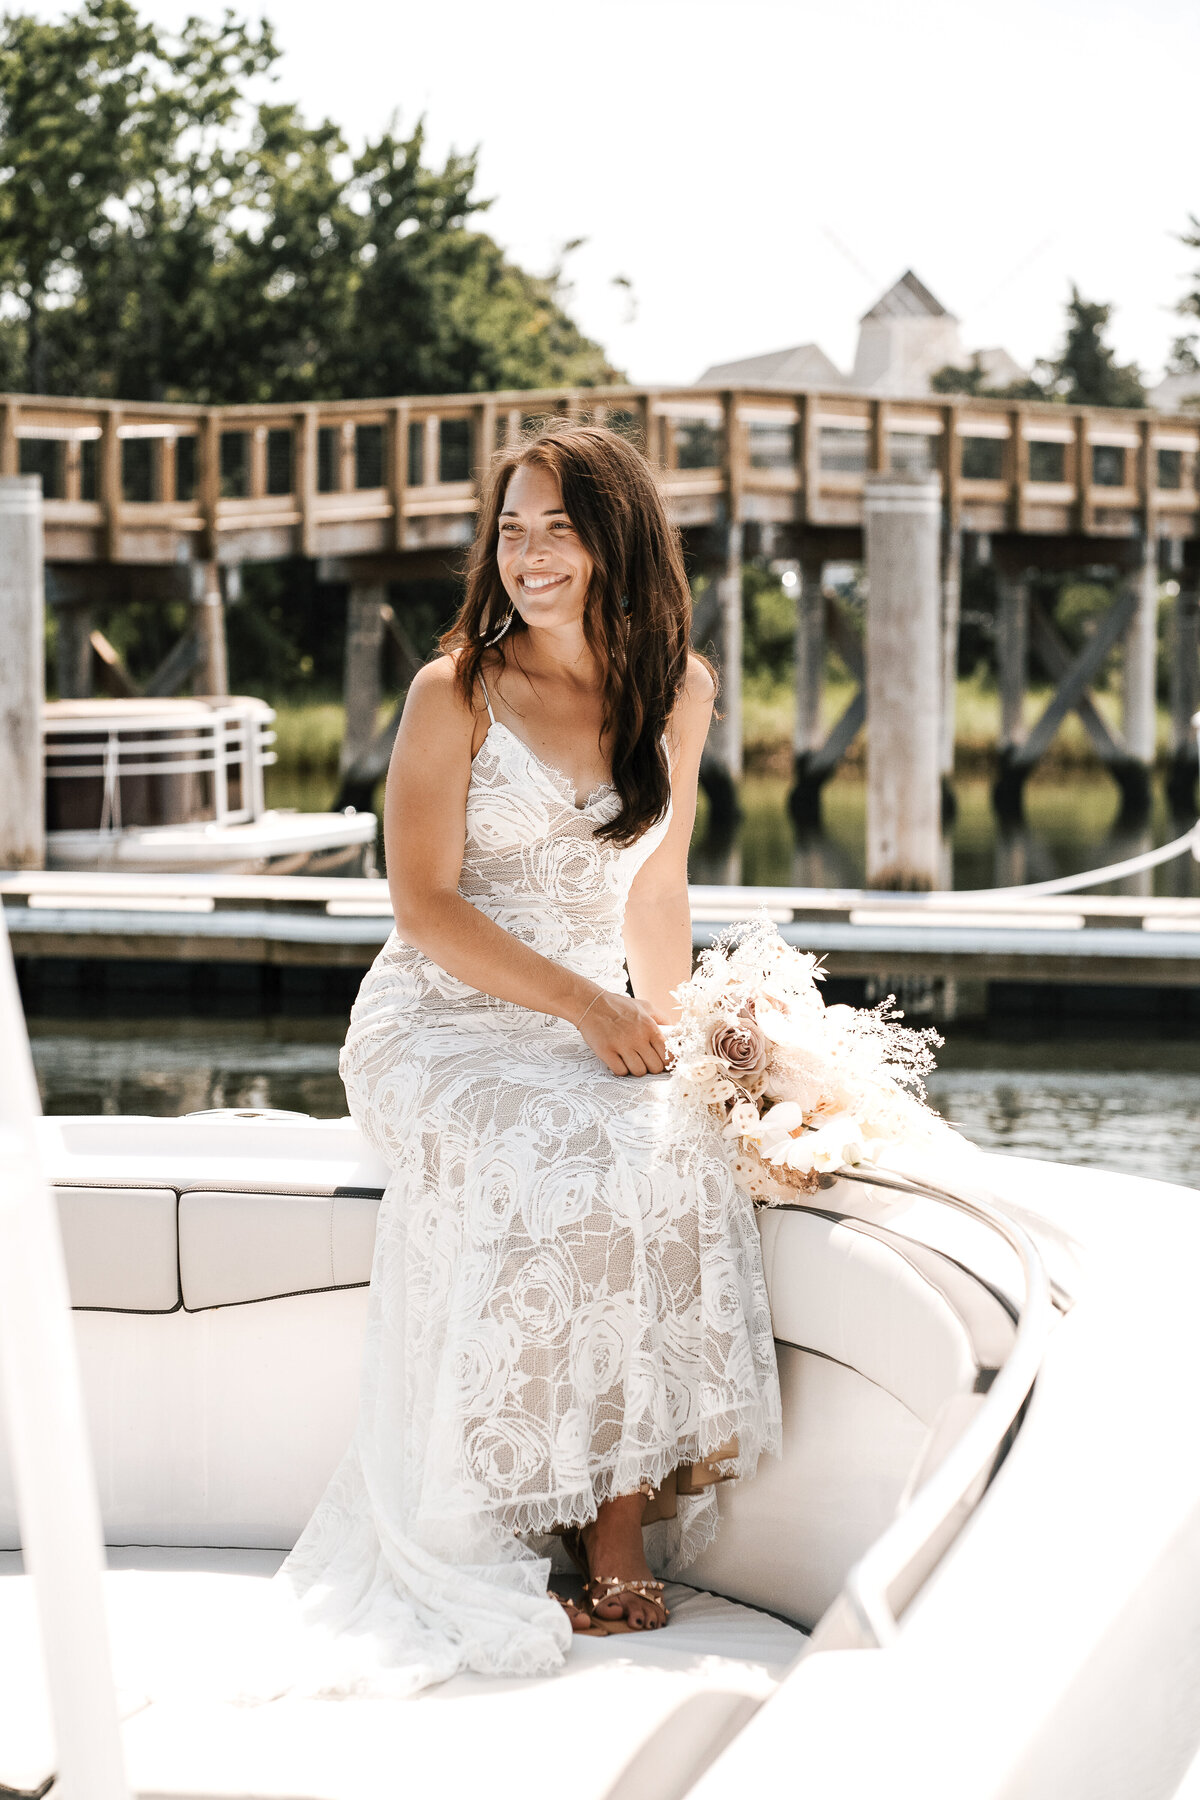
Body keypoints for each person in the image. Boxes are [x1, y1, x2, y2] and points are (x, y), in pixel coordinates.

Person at [274, 423, 781, 1694]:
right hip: (437, 1024)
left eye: (558, 527)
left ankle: (614, 1509)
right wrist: (587, 1011)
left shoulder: (682, 689)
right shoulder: (455, 693)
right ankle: (547, 1513)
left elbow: (655, 897)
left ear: (617, 539)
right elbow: (424, 907)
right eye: (512, 529)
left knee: (673, 1150)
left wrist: (679, 1044)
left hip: (577, 1017)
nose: (531, 555)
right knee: (568, 1153)